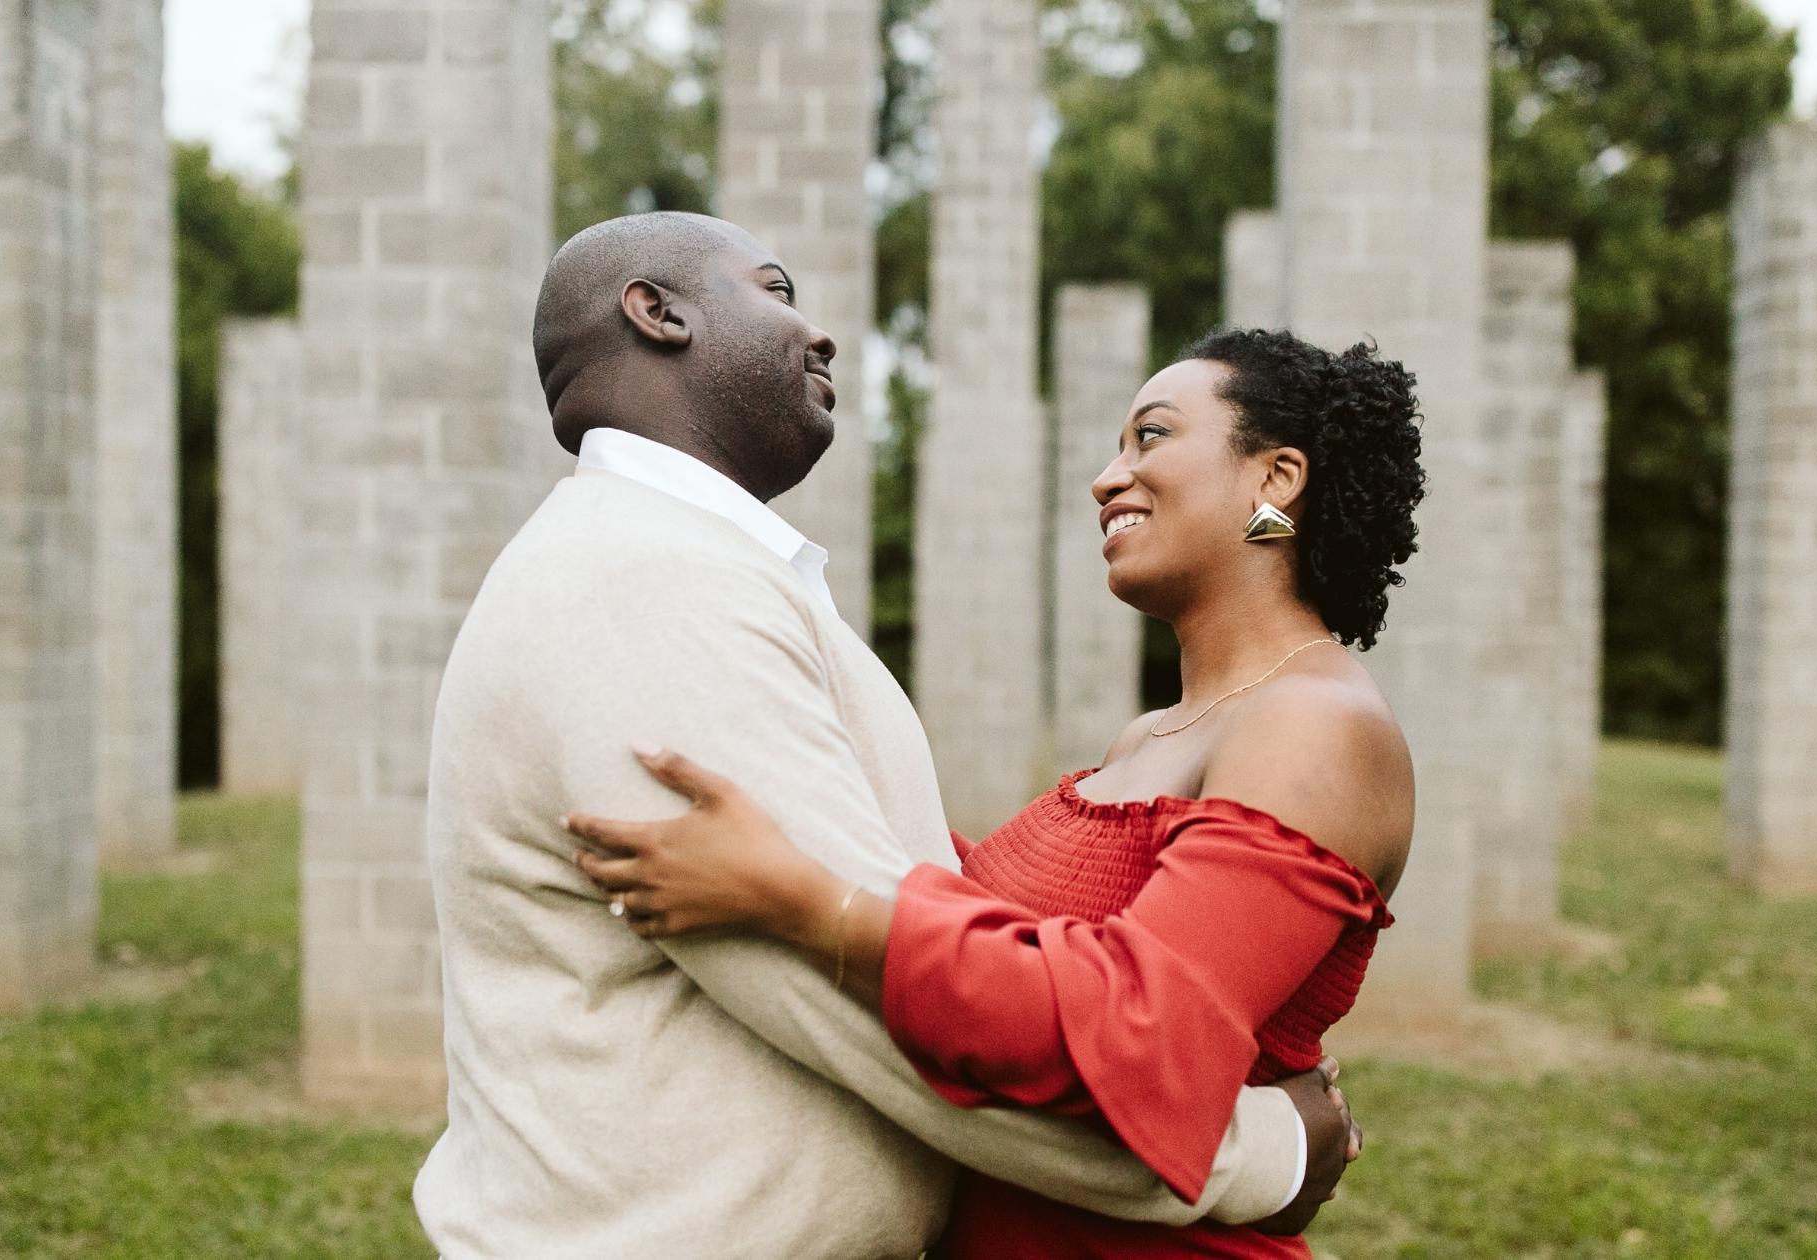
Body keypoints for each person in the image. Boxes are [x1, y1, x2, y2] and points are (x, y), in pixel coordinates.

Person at [412, 213, 1355, 1260]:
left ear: (1277, 479)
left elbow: (921, 934)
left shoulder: (684, 569)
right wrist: (1261, 1152)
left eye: (1150, 438)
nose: (816, 332)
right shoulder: (647, 583)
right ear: (657, 312)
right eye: (773, 288)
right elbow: (861, 1012)